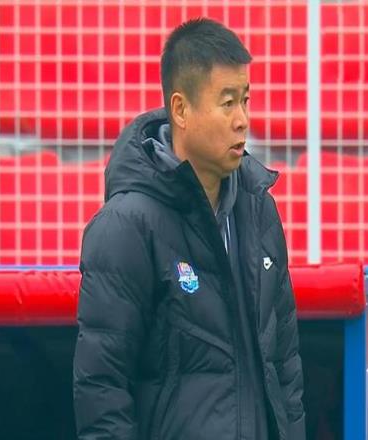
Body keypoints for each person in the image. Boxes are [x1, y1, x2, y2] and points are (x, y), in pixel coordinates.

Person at [73, 17, 305, 440]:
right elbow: (102, 387)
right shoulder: (126, 227)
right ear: (180, 109)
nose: (242, 120)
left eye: (246, 100)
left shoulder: (260, 211)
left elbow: (286, 363)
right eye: (228, 103)